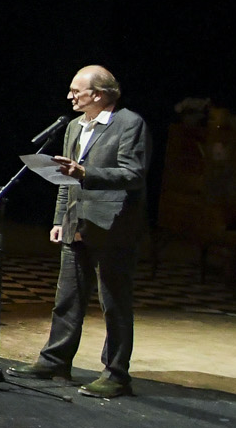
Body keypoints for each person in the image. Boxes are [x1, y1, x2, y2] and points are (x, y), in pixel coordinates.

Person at [11, 64, 148, 398]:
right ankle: (56, 360)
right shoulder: (74, 126)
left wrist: (87, 172)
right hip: (76, 222)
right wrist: (60, 219)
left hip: (112, 226)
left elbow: (134, 173)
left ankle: (116, 375)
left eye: (76, 90)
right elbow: (66, 179)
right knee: (67, 298)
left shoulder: (130, 123)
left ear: (98, 94)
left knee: (114, 303)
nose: (70, 95)